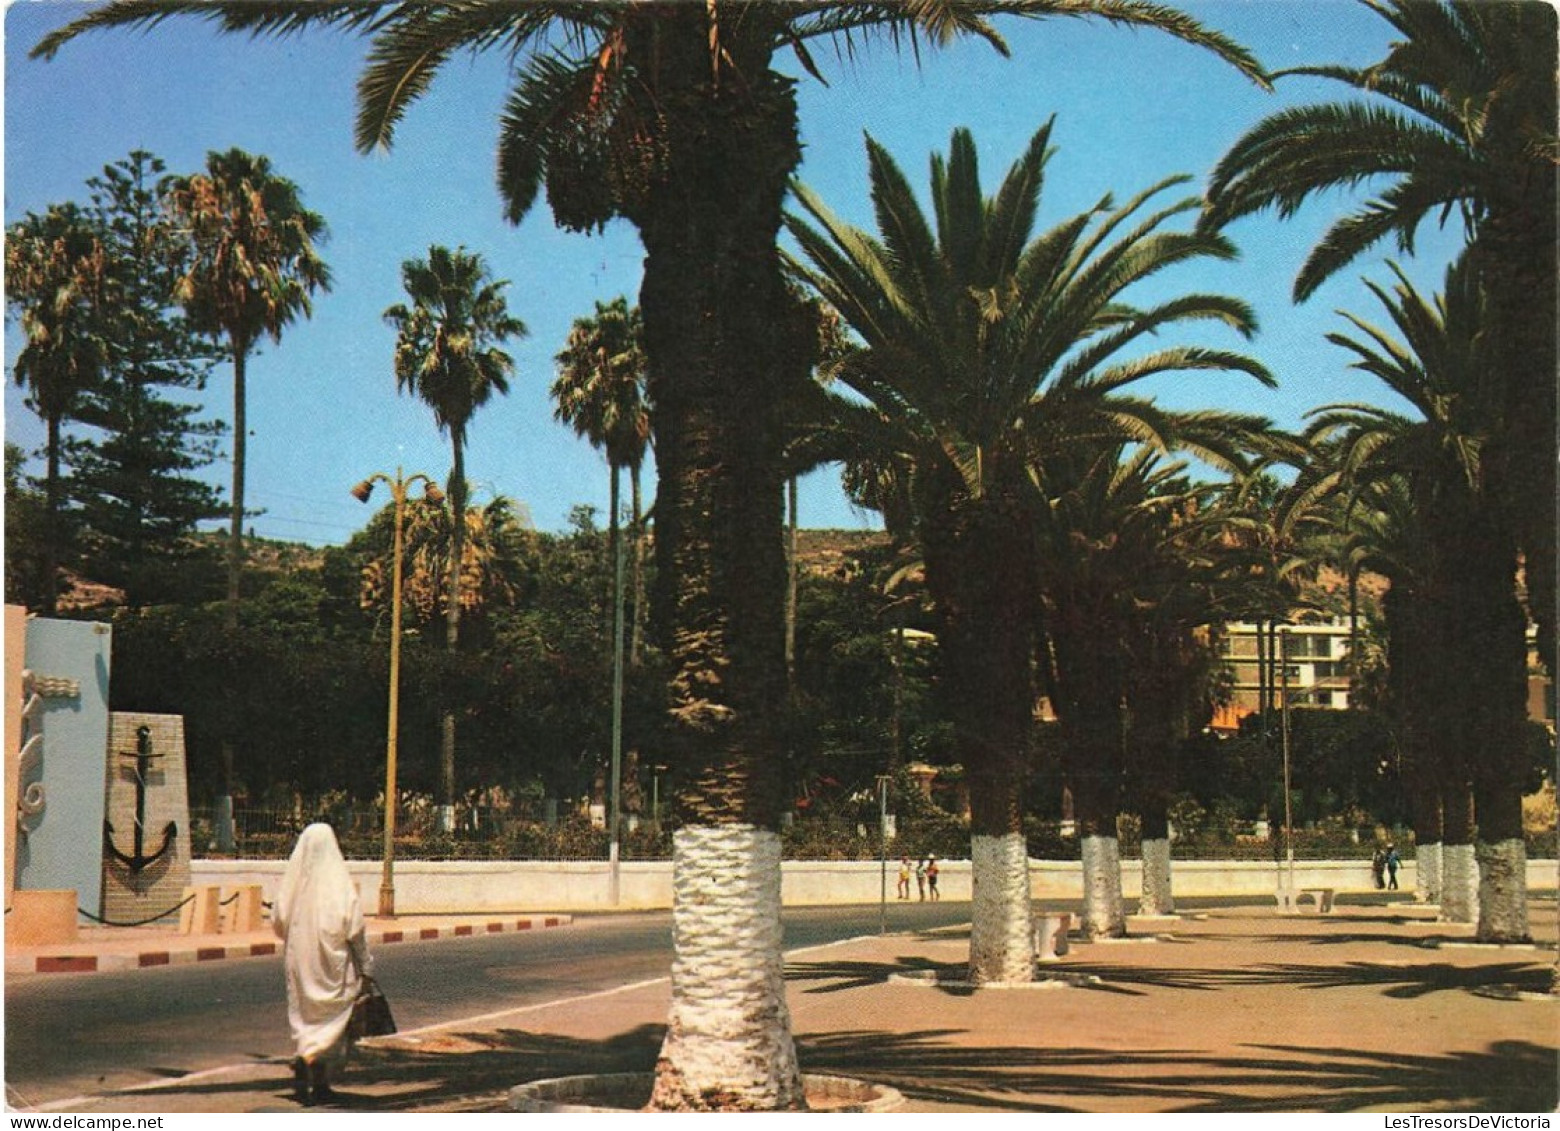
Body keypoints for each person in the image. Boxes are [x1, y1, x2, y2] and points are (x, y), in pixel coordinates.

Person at [273, 822, 375, 1106]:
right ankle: (316, 1074)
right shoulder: (339, 885)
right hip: (334, 962)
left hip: (300, 958)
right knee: (332, 1017)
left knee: (306, 1013)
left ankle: (307, 1064)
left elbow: (279, 920)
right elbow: (355, 931)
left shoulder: (293, 884)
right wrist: (366, 967)